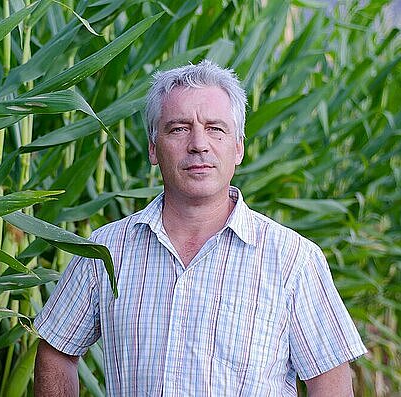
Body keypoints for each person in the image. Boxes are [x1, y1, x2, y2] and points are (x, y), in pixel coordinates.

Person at [33, 60, 366, 396]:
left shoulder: (293, 259)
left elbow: (330, 380)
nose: (199, 144)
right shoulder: (105, 251)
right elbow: (56, 350)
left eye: (215, 129)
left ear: (238, 148)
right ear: (152, 148)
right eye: (179, 128)